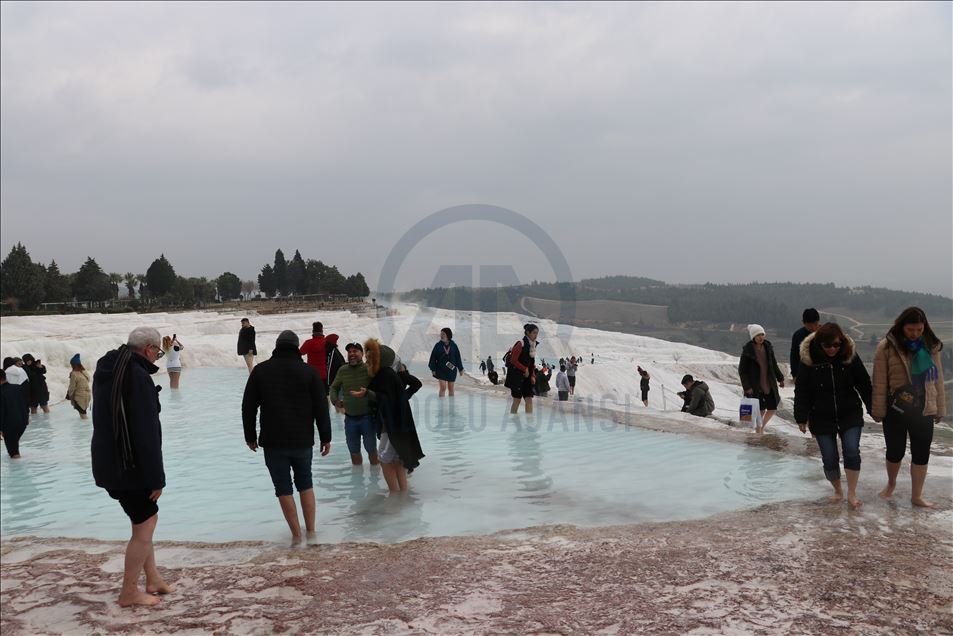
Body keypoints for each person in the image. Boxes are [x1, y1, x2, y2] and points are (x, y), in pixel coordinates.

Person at [91, 326, 173, 607]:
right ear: (149, 349)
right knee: (146, 522)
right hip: (129, 467)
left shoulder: (110, 367)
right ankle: (128, 592)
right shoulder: (136, 376)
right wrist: (156, 478)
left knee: (141, 521)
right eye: (158, 353)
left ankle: (153, 579)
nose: (157, 357)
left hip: (108, 461)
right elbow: (145, 432)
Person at [242, 330, 332, 544]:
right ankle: (311, 532)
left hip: (273, 441)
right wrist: (326, 437)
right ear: (296, 347)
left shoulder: (261, 371)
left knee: (283, 488)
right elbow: (321, 408)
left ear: (277, 345)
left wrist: (250, 436)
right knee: (305, 484)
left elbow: (248, 407)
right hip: (302, 440)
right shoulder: (309, 372)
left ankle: (296, 536)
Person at [871, 307, 946, 508]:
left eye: (919, 330)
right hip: (896, 408)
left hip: (923, 407)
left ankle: (916, 495)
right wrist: (878, 410)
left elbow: (938, 380)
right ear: (902, 326)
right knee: (895, 451)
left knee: (921, 453)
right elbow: (879, 381)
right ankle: (891, 484)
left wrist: (939, 408)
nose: (915, 334)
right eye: (911, 330)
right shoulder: (887, 347)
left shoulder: (930, 347)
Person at [794, 323, 872, 508]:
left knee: (851, 450)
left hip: (849, 412)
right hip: (821, 415)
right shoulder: (809, 360)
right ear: (819, 344)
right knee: (829, 457)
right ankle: (838, 491)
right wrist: (801, 417)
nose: (832, 349)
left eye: (836, 345)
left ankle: (852, 493)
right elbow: (802, 390)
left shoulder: (849, 355)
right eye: (827, 345)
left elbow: (864, 383)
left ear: (842, 342)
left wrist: (873, 408)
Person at [363, 339, 425, 492]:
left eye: (371, 358)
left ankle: (394, 493)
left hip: (393, 424)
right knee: (398, 457)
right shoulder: (385, 375)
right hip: (395, 421)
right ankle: (402, 492)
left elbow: (387, 398)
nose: (367, 361)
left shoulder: (387, 375)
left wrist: (369, 394)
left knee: (384, 457)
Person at [330, 342, 378, 466]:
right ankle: (357, 475)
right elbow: (334, 387)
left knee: (371, 449)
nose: (352, 354)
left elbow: (379, 389)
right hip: (350, 418)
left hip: (368, 417)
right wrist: (335, 401)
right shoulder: (343, 370)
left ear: (362, 353)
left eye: (355, 351)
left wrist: (369, 394)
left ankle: (375, 475)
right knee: (353, 450)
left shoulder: (368, 368)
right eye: (349, 352)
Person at [738, 324, 785, 434]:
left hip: (768, 382)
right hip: (755, 384)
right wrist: (747, 387)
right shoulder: (748, 351)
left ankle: (761, 427)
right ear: (753, 337)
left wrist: (780, 378)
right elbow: (742, 370)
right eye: (758, 335)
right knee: (761, 409)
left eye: (762, 334)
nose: (761, 337)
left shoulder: (768, 347)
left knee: (772, 407)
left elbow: (774, 364)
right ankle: (758, 430)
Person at [505, 324, 539, 414]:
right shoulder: (521, 344)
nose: (536, 335)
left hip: (527, 377)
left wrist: (533, 375)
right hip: (517, 377)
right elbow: (513, 360)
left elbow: (531, 363)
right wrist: (525, 369)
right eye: (534, 333)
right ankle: (513, 419)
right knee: (517, 400)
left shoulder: (533, 345)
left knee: (529, 399)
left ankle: (529, 420)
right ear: (528, 332)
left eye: (537, 333)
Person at [428, 327, 464, 397]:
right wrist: (433, 369)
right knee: (443, 387)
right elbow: (433, 357)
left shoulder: (454, 346)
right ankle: (441, 403)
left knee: (451, 388)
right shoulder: (437, 345)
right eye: (441, 334)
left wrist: (460, 369)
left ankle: (451, 403)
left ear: (448, 335)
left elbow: (458, 358)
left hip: (451, 369)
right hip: (441, 369)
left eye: (443, 334)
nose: (441, 335)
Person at [1, 369, 29, 458]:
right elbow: (26, 404)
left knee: (13, 452)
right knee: (14, 445)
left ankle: (18, 465)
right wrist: (27, 417)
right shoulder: (18, 387)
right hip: (23, 422)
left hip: (9, 425)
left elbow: (1, 411)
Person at [790, 308, 821, 380]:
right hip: (804, 372)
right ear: (803, 323)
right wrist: (794, 374)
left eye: (815, 324)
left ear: (819, 321)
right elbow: (794, 355)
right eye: (809, 325)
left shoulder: (825, 333)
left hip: (822, 371)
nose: (813, 327)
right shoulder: (798, 335)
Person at [67, 353, 92, 420]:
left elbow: (72, 387)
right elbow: (88, 380)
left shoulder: (74, 374)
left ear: (73, 365)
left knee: (83, 416)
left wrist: (70, 396)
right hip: (87, 396)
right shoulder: (84, 371)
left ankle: (85, 426)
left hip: (79, 397)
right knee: (84, 414)